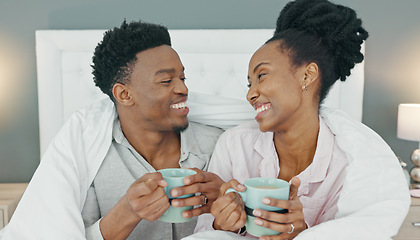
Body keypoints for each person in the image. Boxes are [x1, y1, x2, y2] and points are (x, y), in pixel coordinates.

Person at [194, 0, 411, 239]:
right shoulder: (234, 145)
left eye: (261, 75)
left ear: (307, 75)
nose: (250, 94)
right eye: (249, 83)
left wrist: (302, 233)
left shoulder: (349, 166)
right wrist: (223, 224)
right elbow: (204, 233)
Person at [0, 21, 224, 240]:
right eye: (166, 81)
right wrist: (127, 212)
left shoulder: (219, 146)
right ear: (124, 95)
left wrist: (228, 208)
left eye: (182, 77)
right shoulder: (88, 158)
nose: (183, 88)